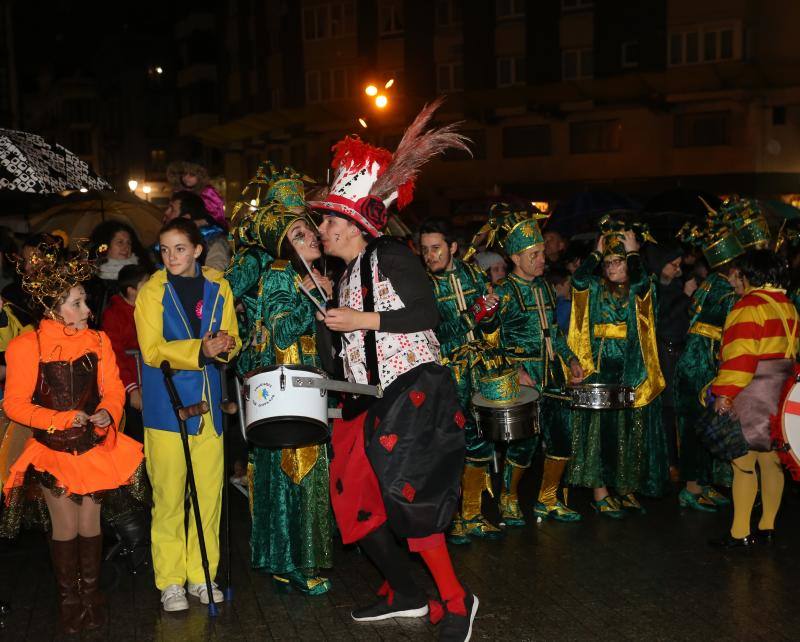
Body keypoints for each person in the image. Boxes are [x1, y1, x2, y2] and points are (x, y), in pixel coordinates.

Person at [310, 100, 479, 641]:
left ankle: (456, 600)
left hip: (411, 394)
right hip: (364, 400)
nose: (322, 228)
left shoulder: (391, 256)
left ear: (355, 224)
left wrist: (359, 317)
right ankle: (403, 591)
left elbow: (428, 315)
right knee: (353, 502)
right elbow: (350, 349)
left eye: (330, 220)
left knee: (414, 502)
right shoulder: (348, 273)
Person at [0, 241, 146, 633]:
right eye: (77, 303)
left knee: (91, 522)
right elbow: (14, 404)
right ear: (53, 308)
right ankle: (70, 600)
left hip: (95, 446)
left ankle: (92, 595)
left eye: (84, 302)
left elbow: (114, 389)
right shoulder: (26, 345)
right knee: (65, 525)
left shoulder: (98, 342)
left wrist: (108, 413)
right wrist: (61, 420)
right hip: (53, 449)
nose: (86, 310)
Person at [226, 161, 333, 594]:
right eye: (300, 233)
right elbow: (285, 329)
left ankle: (281, 559)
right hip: (289, 386)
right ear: (282, 243)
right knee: (299, 469)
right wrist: (315, 299)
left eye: (310, 230)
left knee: (287, 469)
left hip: (300, 384)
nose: (312, 237)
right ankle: (299, 562)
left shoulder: (299, 275)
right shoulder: (277, 276)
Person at [135, 218, 240, 612]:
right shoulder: (151, 294)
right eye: (164, 250)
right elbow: (151, 349)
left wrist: (228, 343)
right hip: (167, 407)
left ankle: (202, 575)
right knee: (168, 498)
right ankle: (171, 581)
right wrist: (201, 350)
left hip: (210, 407)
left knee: (210, 498)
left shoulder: (219, 286)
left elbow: (232, 336)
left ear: (197, 250)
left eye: (179, 248)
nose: (171, 256)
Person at [479, 207, 584, 524]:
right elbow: (489, 342)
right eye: (535, 254)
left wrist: (571, 358)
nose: (543, 258)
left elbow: (555, 333)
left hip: (552, 374)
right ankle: (508, 499)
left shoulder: (545, 289)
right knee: (523, 447)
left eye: (542, 253)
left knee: (561, 441)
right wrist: (514, 370)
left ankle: (547, 500)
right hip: (524, 379)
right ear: (516, 258)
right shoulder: (503, 294)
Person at [566, 217, 668, 518]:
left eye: (618, 262)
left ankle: (625, 488)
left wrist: (635, 252)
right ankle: (600, 492)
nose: (611, 269)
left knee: (626, 434)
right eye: (607, 263)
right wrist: (595, 254)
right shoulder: (596, 287)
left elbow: (640, 282)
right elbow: (577, 282)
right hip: (599, 370)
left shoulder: (642, 288)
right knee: (598, 433)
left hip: (630, 371)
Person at [418, 217, 502, 543]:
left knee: (481, 440)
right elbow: (433, 335)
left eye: (436, 248)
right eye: (425, 250)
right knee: (448, 446)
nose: (430, 256)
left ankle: (472, 514)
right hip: (445, 375)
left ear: (453, 247)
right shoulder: (423, 286)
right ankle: (449, 520)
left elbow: (491, 329)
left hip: (478, 368)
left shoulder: (472, 274)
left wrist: (490, 314)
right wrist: (472, 315)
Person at [709, 250, 798, 547]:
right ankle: (768, 526)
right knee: (772, 460)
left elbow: (740, 357)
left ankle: (740, 533)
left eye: (737, 275)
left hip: (752, 391)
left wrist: (724, 393)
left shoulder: (748, 306)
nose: (734, 281)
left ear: (748, 275)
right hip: (779, 393)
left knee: (743, 463)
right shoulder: (788, 305)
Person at [674, 219, 745, 511]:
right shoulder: (726, 289)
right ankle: (691, 488)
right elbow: (731, 327)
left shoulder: (713, 282)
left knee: (703, 420)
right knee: (699, 423)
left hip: (697, 356)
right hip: (702, 360)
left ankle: (702, 483)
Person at [643, 243, 694, 480]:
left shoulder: (675, 286)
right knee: (666, 410)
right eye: (674, 265)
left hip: (679, 353)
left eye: (679, 266)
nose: (678, 270)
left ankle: (680, 462)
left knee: (678, 410)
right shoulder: (650, 287)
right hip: (662, 355)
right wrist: (685, 297)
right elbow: (660, 321)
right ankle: (668, 463)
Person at [101, 264, 151, 443]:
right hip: (129, 384)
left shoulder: (150, 309)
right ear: (132, 291)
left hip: (150, 380)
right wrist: (132, 389)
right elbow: (115, 355)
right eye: (147, 284)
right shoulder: (114, 315)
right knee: (136, 437)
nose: (152, 287)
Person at [85, 221, 151, 322]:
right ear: (107, 246)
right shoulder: (94, 278)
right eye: (120, 242)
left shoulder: (141, 273)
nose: (126, 247)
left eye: (128, 243)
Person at [163, 191, 230, 272]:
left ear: (186, 218)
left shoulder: (214, 241)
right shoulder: (169, 238)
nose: (166, 213)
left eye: (172, 209)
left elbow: (214, 275)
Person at [167, 160, 227, 230]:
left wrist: (199, 222)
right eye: (184, 174)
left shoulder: (207, 192)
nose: (186, 178)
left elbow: (216, 216)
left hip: (206, 230)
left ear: (200, 177)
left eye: (192, 175)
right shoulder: (180, 192)